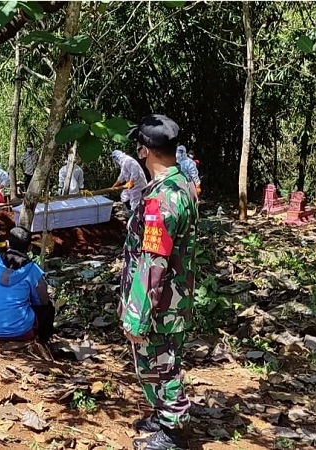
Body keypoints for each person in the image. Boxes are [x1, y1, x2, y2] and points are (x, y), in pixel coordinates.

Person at [119, 114, 198, 450]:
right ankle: (162, 413)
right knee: (159, 363)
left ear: (144, 151)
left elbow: (154, 261)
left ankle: (173, 432)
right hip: (175, 298)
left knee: (162, 368)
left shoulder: (161, 201)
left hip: (161, 304)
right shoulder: (181, 184)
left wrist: (137, 313)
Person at [0, 226, 54, 343]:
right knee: (48, 308)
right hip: (19, 330)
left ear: (6, 243)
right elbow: (42, 301)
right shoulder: (32, 270)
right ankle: (44, 343)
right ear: (29, 247)